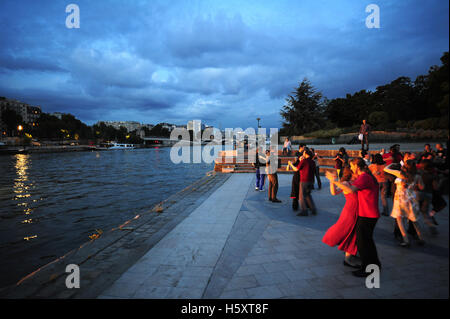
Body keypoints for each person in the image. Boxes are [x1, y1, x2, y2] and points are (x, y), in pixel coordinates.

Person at [330, 158, 381, 277]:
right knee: (367, 242)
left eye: (352, 166)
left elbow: (349, 189)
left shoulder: (364, 177)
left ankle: (368, 269)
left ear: (357, 166)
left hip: (367, 214)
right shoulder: (367, 176)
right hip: (368, 213)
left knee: (364, 244)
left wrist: (334, 180)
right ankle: (374, 265)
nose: (351, 169)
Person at [323, 167, 360, 268]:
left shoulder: (354, 182)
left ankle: (349, 253)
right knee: (351, 232)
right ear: (351, 174)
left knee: (353, 233)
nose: (357, 174)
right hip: (350, 211)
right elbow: (334, 192)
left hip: (354, 211)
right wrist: (332, 181)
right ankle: (348, 257)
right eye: (355, 173)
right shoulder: (346, 183)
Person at [384, 160, 426, 247]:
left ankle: (406, 240)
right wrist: (413, 186)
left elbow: (386, 169)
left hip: (400, 199)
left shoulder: (400, 174)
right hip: (411, 198)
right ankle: (421, 237)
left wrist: (393, 164)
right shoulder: (417, 176)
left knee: (400, 220)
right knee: (414, 219)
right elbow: (422, 187)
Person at [296, 149, 317, 216]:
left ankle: (304, 211)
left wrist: (290, 164)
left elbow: (297, 169)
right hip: (311, 180)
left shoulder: (304, 161)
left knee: (301, 196)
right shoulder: (313, 162)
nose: (303, 154)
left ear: (306, 154)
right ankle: (313, 209)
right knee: (308, 195)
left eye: (304, 153)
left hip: (304, 180)